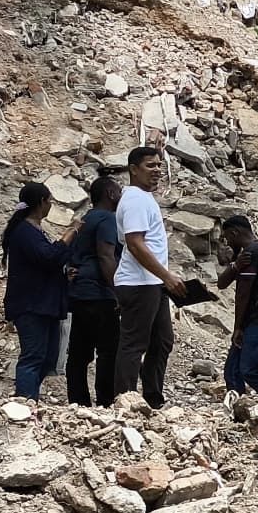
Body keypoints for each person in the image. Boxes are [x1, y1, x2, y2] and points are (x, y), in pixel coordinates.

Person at [112, 144, 187, 408]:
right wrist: (166, 275)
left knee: (162, 340)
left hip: (151, 283)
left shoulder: (144, 198)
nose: (157, 171)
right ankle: (126, 400)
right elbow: (135, 243)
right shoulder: (134, 199)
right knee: (134, 344)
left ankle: (153, 398)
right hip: (138, 282)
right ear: (133, 169)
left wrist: (163, 278)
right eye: (150, 166)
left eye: (159, 165)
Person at [1, 182, 79, 401]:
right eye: (49, 201)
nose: (51, 205)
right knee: (33, 356)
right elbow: (48, 257)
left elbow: (44, 264)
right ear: (40, 203)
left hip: (45, 304)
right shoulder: (25, 231)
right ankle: (25, 401)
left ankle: (30, 397)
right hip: (31, 304)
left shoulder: (34, 230)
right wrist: (70, 233)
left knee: (48, 359)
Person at [64, 175, 123, 407]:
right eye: (118, 191)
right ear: (110, 194)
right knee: (108, 352)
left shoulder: (86, 219)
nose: (121, 196)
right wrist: (118, 292)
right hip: (100, 294)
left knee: (79, 353)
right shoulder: (108, 219)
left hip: (79, 293)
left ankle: (77, 402)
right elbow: (106, 256)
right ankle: (106, 402)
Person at [217, 215, 258, 397]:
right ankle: (237, 407)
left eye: (227, 238)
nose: (227, 243)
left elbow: (243, 293)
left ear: (234, 232)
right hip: (253, 317)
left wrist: (237, 327)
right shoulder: (248, 253)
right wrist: (233, 264)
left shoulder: (252, 253)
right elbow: (221, 283)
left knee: (248, 369)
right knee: (232, 370)